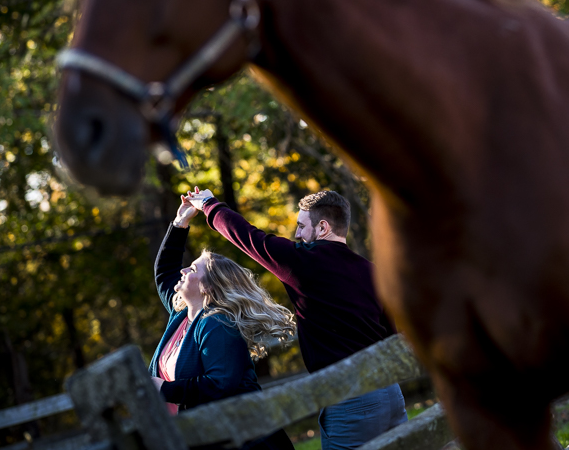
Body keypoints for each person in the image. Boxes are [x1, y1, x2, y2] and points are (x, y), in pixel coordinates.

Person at [181, 187, 408, 450]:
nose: (297, 234)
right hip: (390, 392)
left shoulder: (304, 261)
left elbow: (248, 237)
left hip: (350, 398)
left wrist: (208, 204)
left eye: (301, 226)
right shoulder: (372, 271)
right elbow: (391, 334)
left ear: (322, 227)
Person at [150, 194, 297, 450]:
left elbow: (220, 385)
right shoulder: (181, 315)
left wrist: (165, 389)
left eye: (193, 269)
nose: (184, 271)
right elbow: (165, 271)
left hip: (247, 441)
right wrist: (180, 222)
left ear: (209, 287)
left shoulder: (218, 324)